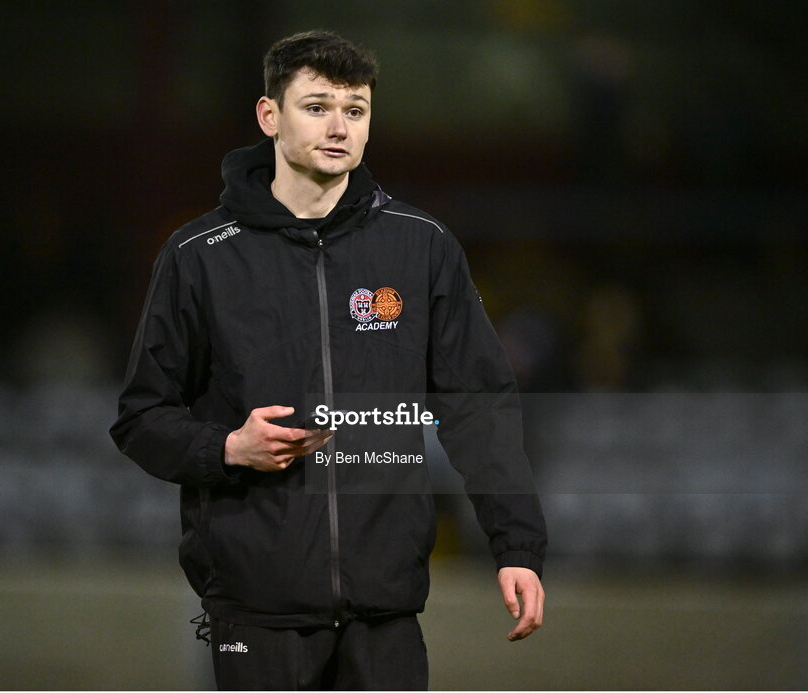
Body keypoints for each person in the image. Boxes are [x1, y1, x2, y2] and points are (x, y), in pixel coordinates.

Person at [110, 30, 546, 690]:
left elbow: (477, 407)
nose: (339, 126)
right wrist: (228, 446)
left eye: (356, 109)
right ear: (269, 116)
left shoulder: (421, 247)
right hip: (255, 612)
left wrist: (517, 546)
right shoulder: (199, 256)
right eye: (317, 106)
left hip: (388, 609)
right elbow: (140, 418)